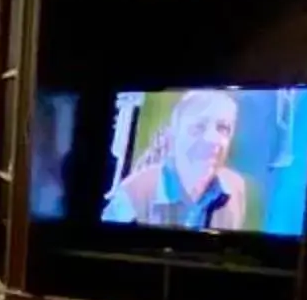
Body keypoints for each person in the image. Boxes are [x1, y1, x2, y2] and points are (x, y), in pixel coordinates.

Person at [103, 89, 250, 232]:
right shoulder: (133, 193)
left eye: (223, 128)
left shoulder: (236, 189)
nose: (213, 140)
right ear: (174, 135)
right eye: (199, 127)